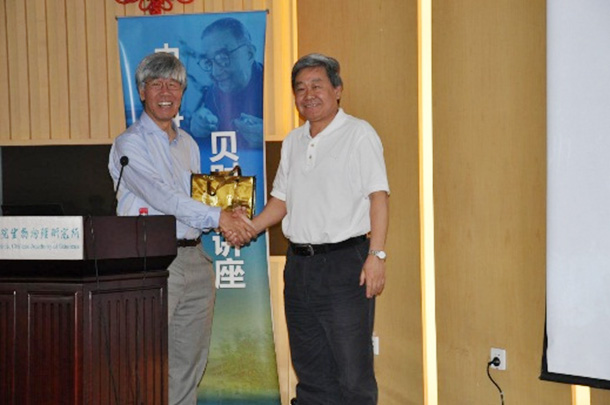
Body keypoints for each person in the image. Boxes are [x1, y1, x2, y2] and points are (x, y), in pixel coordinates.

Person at [108, 52, 255, 405]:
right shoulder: (130, 143)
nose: (166, 92)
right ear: (141, 91)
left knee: (189, 362)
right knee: (144, 359)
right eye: (156, 84)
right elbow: (163, 196)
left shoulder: (188, 143)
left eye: (174, 85)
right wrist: (220, 218)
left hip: (194, 259)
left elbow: (194, 201)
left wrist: (228, 211)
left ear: (183, 93)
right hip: (150, 260)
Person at [248, 53, 390, 404]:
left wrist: (377, 255)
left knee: (352, 372)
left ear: (337, 90)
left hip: (345, 264)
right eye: (300, 88)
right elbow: (282, 200)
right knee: (310, 369)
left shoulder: (359, 133)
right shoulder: (293, 141)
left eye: (317, 85)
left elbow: (378, 197)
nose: (308, 94)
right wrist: (249, 228)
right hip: (299, 267)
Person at [190, 17, 264, 148]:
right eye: (208, 62)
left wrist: (269, 137)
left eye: (223, 58)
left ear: (249, 54)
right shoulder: (212, 93)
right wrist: (197, 128)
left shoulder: (275, 90)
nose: (215, 72)